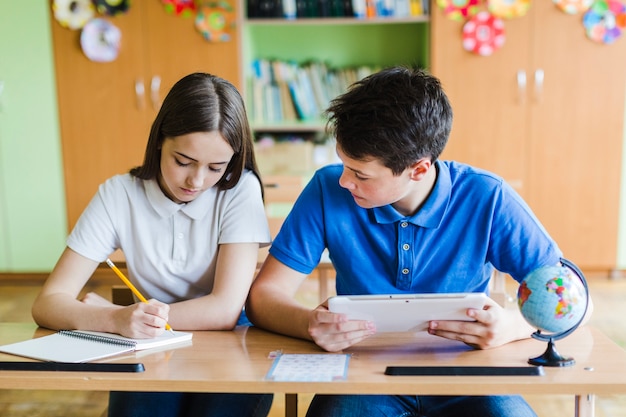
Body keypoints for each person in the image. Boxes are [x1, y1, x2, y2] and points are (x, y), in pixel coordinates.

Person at [246, 66, 593, 417]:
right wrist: (309, 324)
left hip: (469, 377)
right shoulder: (326, 188)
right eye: (344, 165)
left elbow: (578, 302)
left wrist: (512, 326)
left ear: (419, 169)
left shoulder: (487, 196)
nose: (344, 182)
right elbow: (262, 298)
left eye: (360, 174)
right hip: (363, 379)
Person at [32, 72, 273, 417]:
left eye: (216, 167)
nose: (197, 180)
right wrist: (115, 319)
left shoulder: (241, 190)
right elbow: (47, 304)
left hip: (231, 341)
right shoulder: (118, 194)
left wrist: (116, 318)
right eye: (183, 161)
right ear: (160, 139)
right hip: (149, 344)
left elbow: (223, 311)